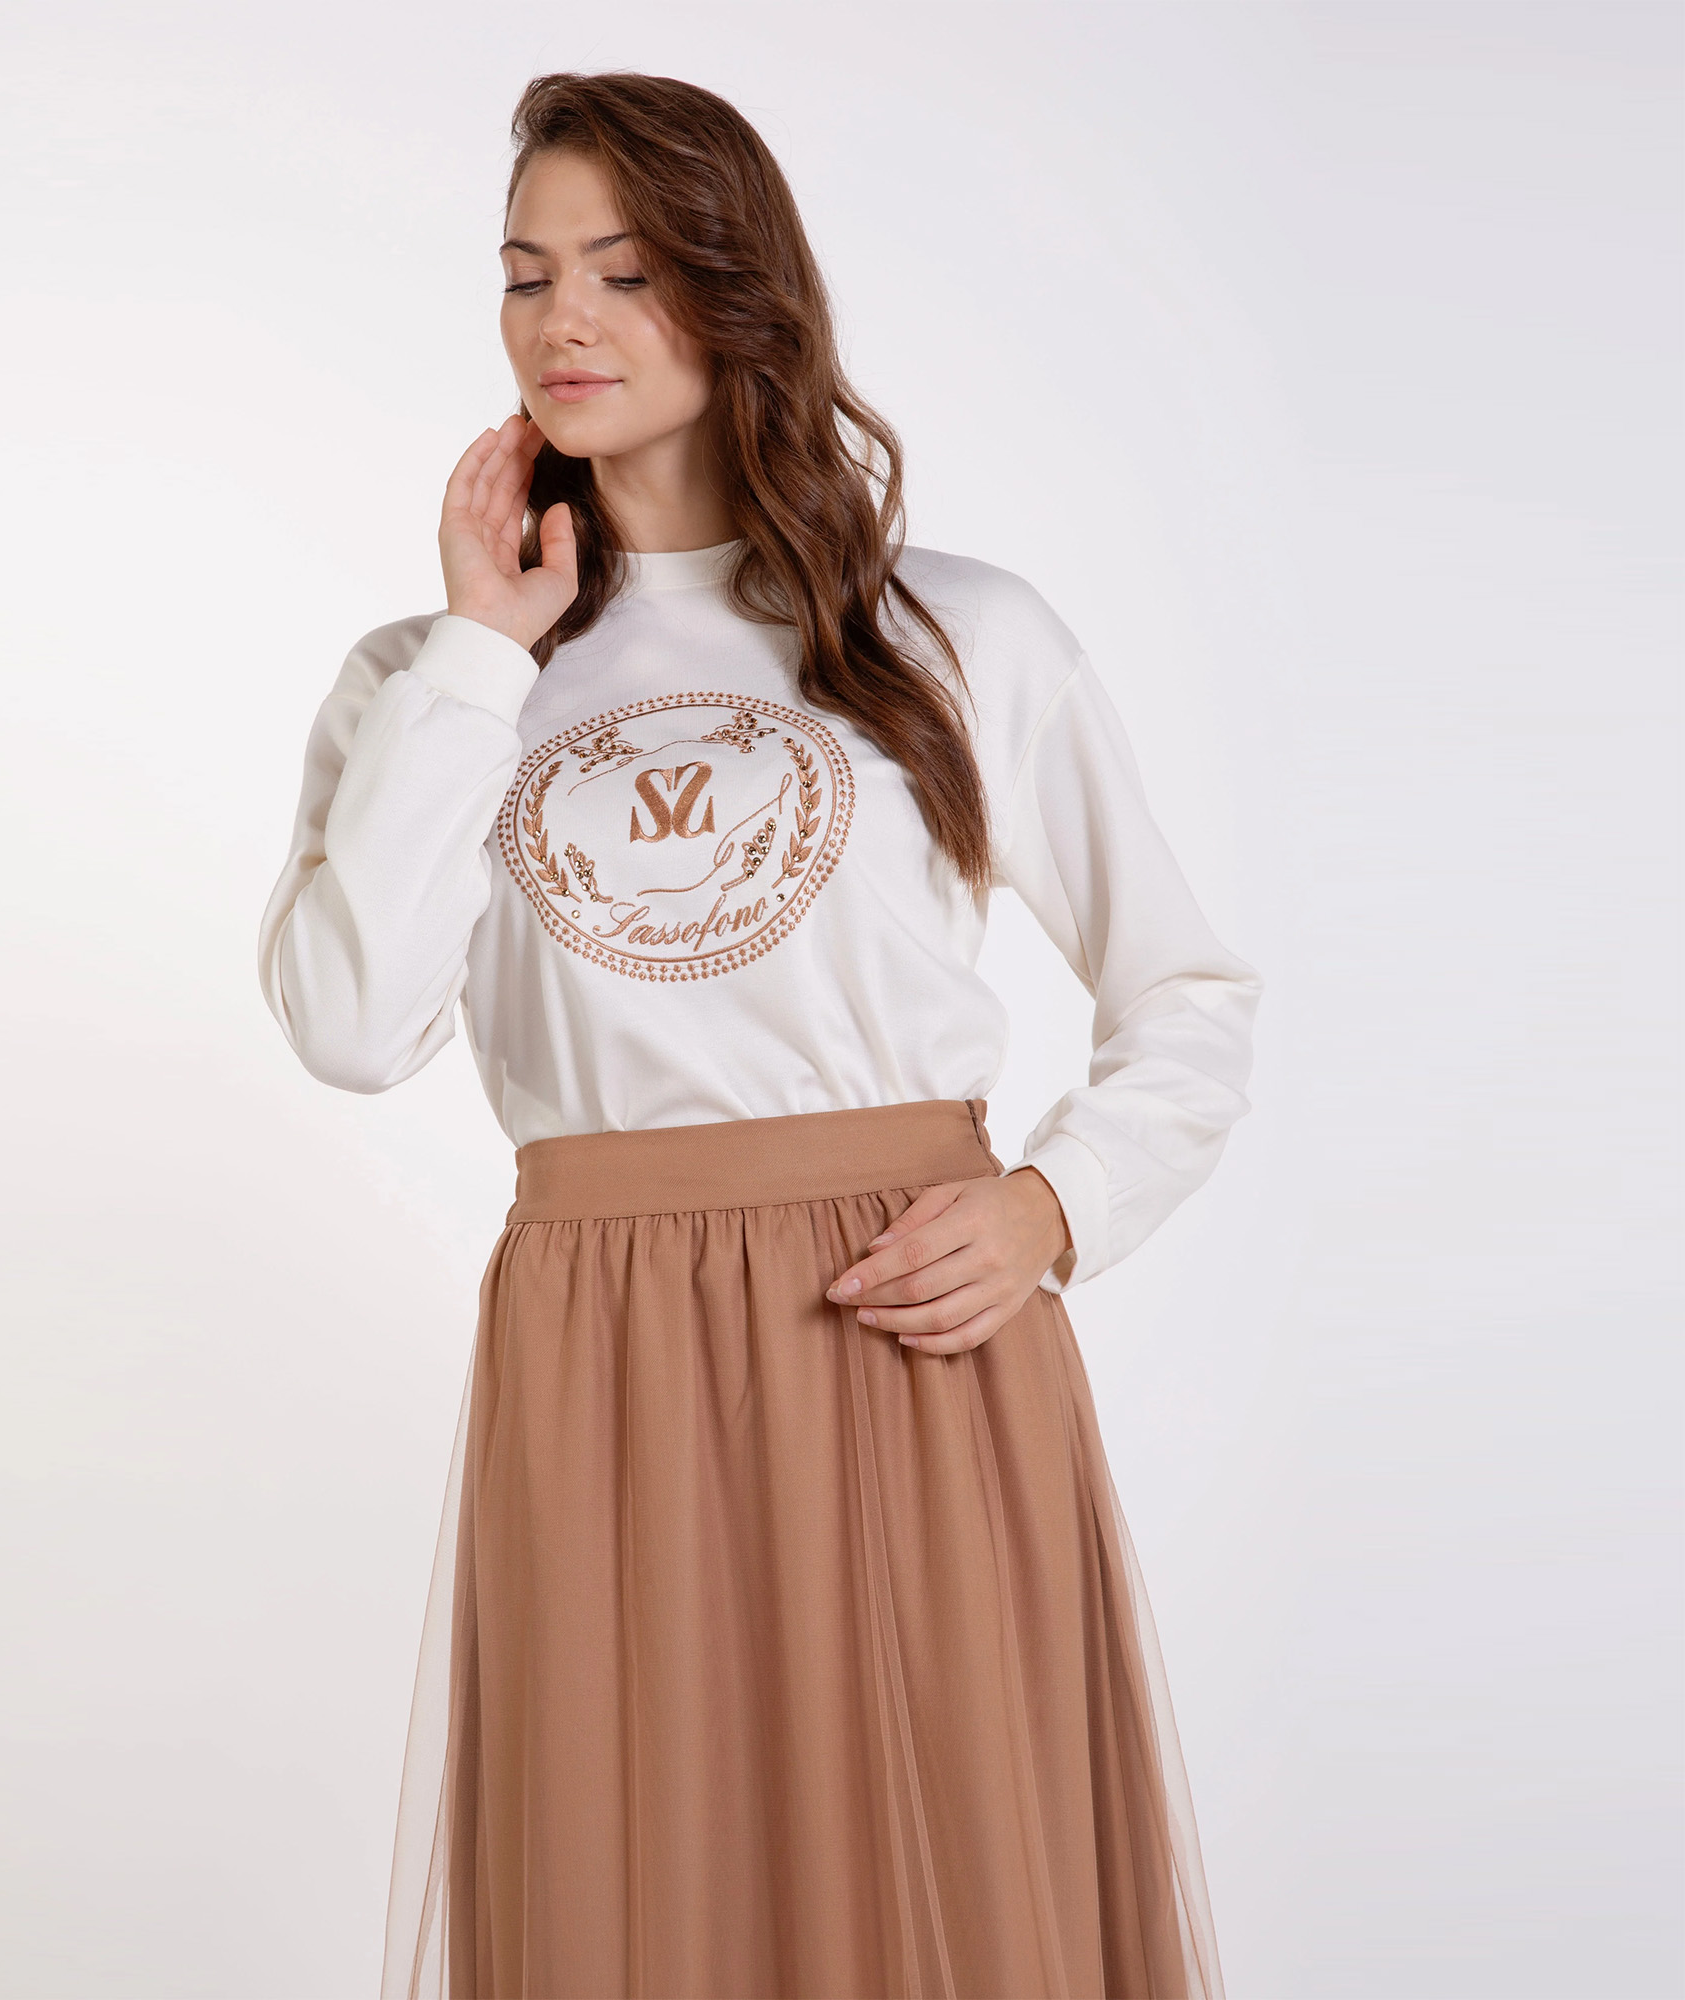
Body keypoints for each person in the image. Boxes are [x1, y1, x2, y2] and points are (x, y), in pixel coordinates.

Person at [258, 69, 1260, 2000]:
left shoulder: (952, 635)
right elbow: (351, 1026)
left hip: (908, 1325)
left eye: (625, 273)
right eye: (527, 274)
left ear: (737, 295)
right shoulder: (427, 682)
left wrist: (1055, 1208)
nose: (563, 320)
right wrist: (479, 651)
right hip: (602, 1352)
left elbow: (1187, 997)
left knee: (955, 1892)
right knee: (639, 1898)